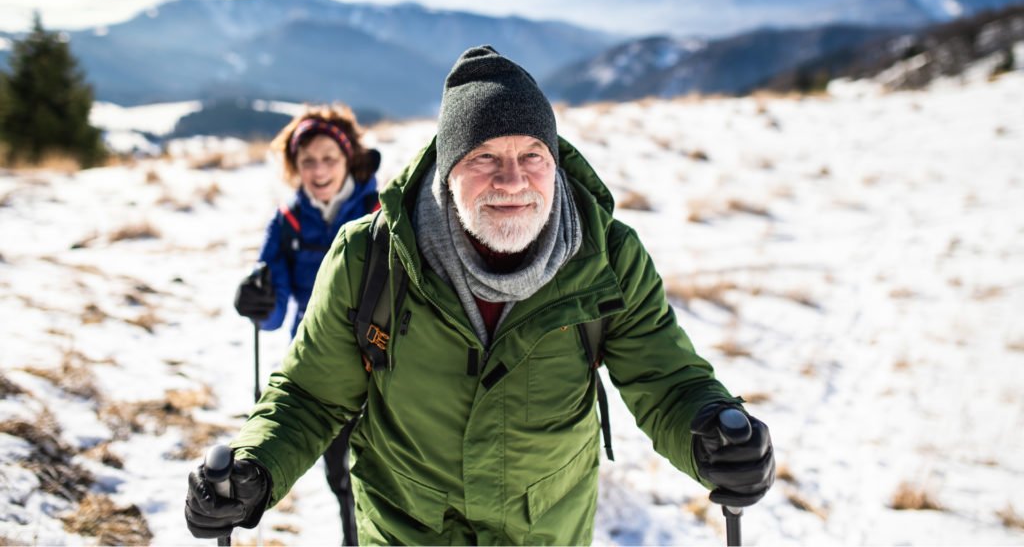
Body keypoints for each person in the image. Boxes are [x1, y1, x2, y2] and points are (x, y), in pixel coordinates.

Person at [186, 46, 775, 545]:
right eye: (485, 157)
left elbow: (667, 380)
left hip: (545, 532)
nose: (512, 181)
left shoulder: (606, 257)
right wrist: (255, 468)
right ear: (447, 170)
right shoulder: (372, 256)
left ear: (554, 162)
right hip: (405, 529)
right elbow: (312, 394)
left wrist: (712, 434)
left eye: (532, 156)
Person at [230, 104, 379, 545]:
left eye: (329, 158)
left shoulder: (380, 211)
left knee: (380, 475)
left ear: (348, 158)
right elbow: (273, 314)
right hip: (318, 362)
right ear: (294, 166)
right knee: (341, 476)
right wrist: (256, 300)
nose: (319, 170)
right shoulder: (287, 222)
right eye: (308, 160)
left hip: (382, 357)